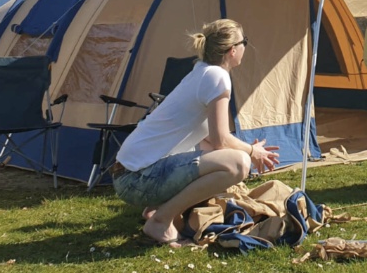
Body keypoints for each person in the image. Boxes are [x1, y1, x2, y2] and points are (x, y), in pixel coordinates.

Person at [112, 19, 279, 245]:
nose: (244, 47)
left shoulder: (201, 72)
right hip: (136, 180)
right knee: (239, 163)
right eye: (244, 42)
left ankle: (157, 207)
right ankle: (161, 220)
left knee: (214, 152)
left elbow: (210, 139)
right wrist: (252, 151)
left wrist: (249, 150)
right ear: (232, 50)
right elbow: (221, 140)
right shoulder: (217, 77)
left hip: (128, 175)